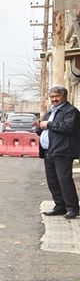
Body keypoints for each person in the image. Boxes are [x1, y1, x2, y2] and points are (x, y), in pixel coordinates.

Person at [38, 86, 80, 218]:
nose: (54, 99)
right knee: (53, 181)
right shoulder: (51, 112)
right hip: (49, 151)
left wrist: (48, 125)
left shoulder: (71, 111)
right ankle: (60, 206)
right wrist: (39, 127)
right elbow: (43, 128)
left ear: (64, 96)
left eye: (56, 96)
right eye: (51, 97)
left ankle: (73, 208)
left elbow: (69, 127)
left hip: (63, 151)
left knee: (64, 180)